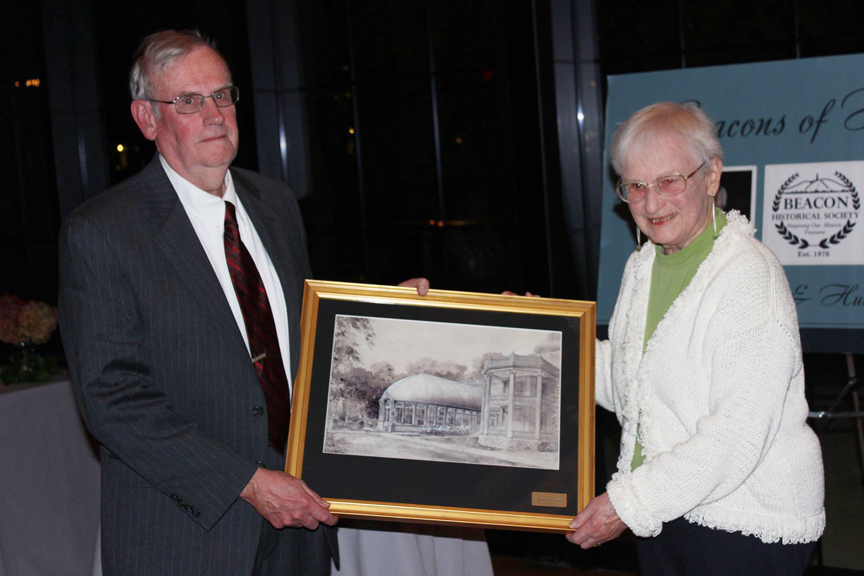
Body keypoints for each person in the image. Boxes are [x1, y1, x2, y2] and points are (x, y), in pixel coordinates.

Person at [58, 30, 429, 576]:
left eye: (223, 95)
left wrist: (385, 320)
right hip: (186, 534)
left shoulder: (275, 202)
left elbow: (301, 339)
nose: (214, 115)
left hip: (299, 519)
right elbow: (112, 399)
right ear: (147, 119)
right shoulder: (103, 232)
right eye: (189, 101)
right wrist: (250, 484)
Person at [567, 102, 825, 575]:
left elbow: (736, 434)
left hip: (742, 523)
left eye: (668, 181)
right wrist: (546, 339)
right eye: (636, 186)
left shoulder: (749, 276)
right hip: (668, 512)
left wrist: (628, 503)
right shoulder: (643, 266)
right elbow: (631, 383)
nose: (651, 204)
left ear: (711, 177)